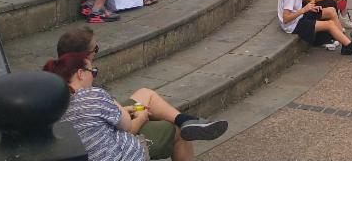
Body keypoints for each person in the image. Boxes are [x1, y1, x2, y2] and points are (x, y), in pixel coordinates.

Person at [54, 27, 228, 160]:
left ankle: (187, 120)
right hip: (120, 148)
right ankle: (184, 125)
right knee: (176, 133)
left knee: (145, 94)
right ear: (84, 59)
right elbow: (127, 128)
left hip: (99, 130)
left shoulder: (55, 88)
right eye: (95, 49)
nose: (97, 53)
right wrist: (142, 117)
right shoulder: (91, 93)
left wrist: (123, 109)